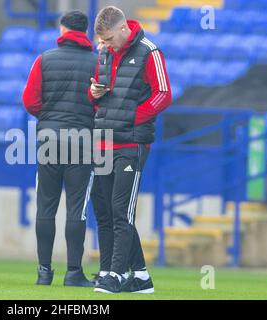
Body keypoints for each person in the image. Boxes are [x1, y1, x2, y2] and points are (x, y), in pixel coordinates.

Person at [89, 6, 172, 293]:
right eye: (102, 40)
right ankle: (140, 276)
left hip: (132, 142)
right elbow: (100, 95)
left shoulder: (150, 51)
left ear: (124, 29)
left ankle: (115, 274)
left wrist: (132, 117)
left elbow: (163, 94)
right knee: (108, 211)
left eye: (109, 39)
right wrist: (95, 92)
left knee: (121, 210)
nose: (105, 45)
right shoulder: (104, 52)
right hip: (103, 141)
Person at [22, 10, 97, 287]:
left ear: (63, 29)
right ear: (85, 31)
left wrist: (50, 117)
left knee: (46, 206)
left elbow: (29, 100)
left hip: (49, 141)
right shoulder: (97, 62)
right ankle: (74, 273)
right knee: (76, 209)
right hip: (83, 141)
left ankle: (44, 271)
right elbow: (101, 102)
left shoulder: (44, 59)